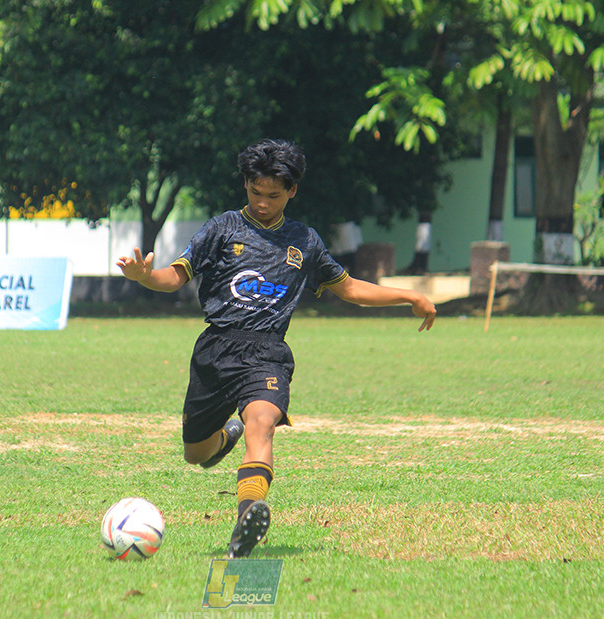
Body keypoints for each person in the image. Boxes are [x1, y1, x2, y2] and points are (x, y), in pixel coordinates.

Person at [117, 139, 437, 558]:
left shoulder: (304, 241)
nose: (263, 202)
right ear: (245, 185)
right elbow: (176, 276)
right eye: (255, 192)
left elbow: (350, 289)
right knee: (195, 453)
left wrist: (409, 296)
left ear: (292, 191)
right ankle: (224, 437)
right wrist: (145, 276)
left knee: (262, 423)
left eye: (273, 195)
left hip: (267, 353)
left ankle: (247, 519)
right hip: (216, 350)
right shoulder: (222, 228)